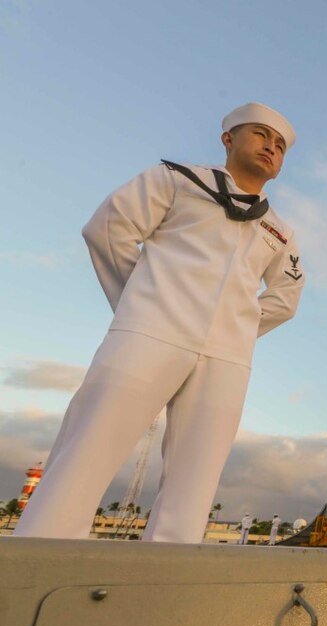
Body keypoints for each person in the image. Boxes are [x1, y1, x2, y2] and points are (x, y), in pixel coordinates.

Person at [14, 103, 304, 544]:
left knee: (196, 477)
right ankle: (34, 568)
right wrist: (143, 303)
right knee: (90, 447)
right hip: (152, 331)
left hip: (227, 356)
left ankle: (161, 585)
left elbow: (285, 298)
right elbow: (108, 229)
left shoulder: (280, 230)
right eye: (261, 134)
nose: (271, 147)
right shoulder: (176, 180)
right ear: (227, 139)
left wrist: (238, 325)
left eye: (280, 145)